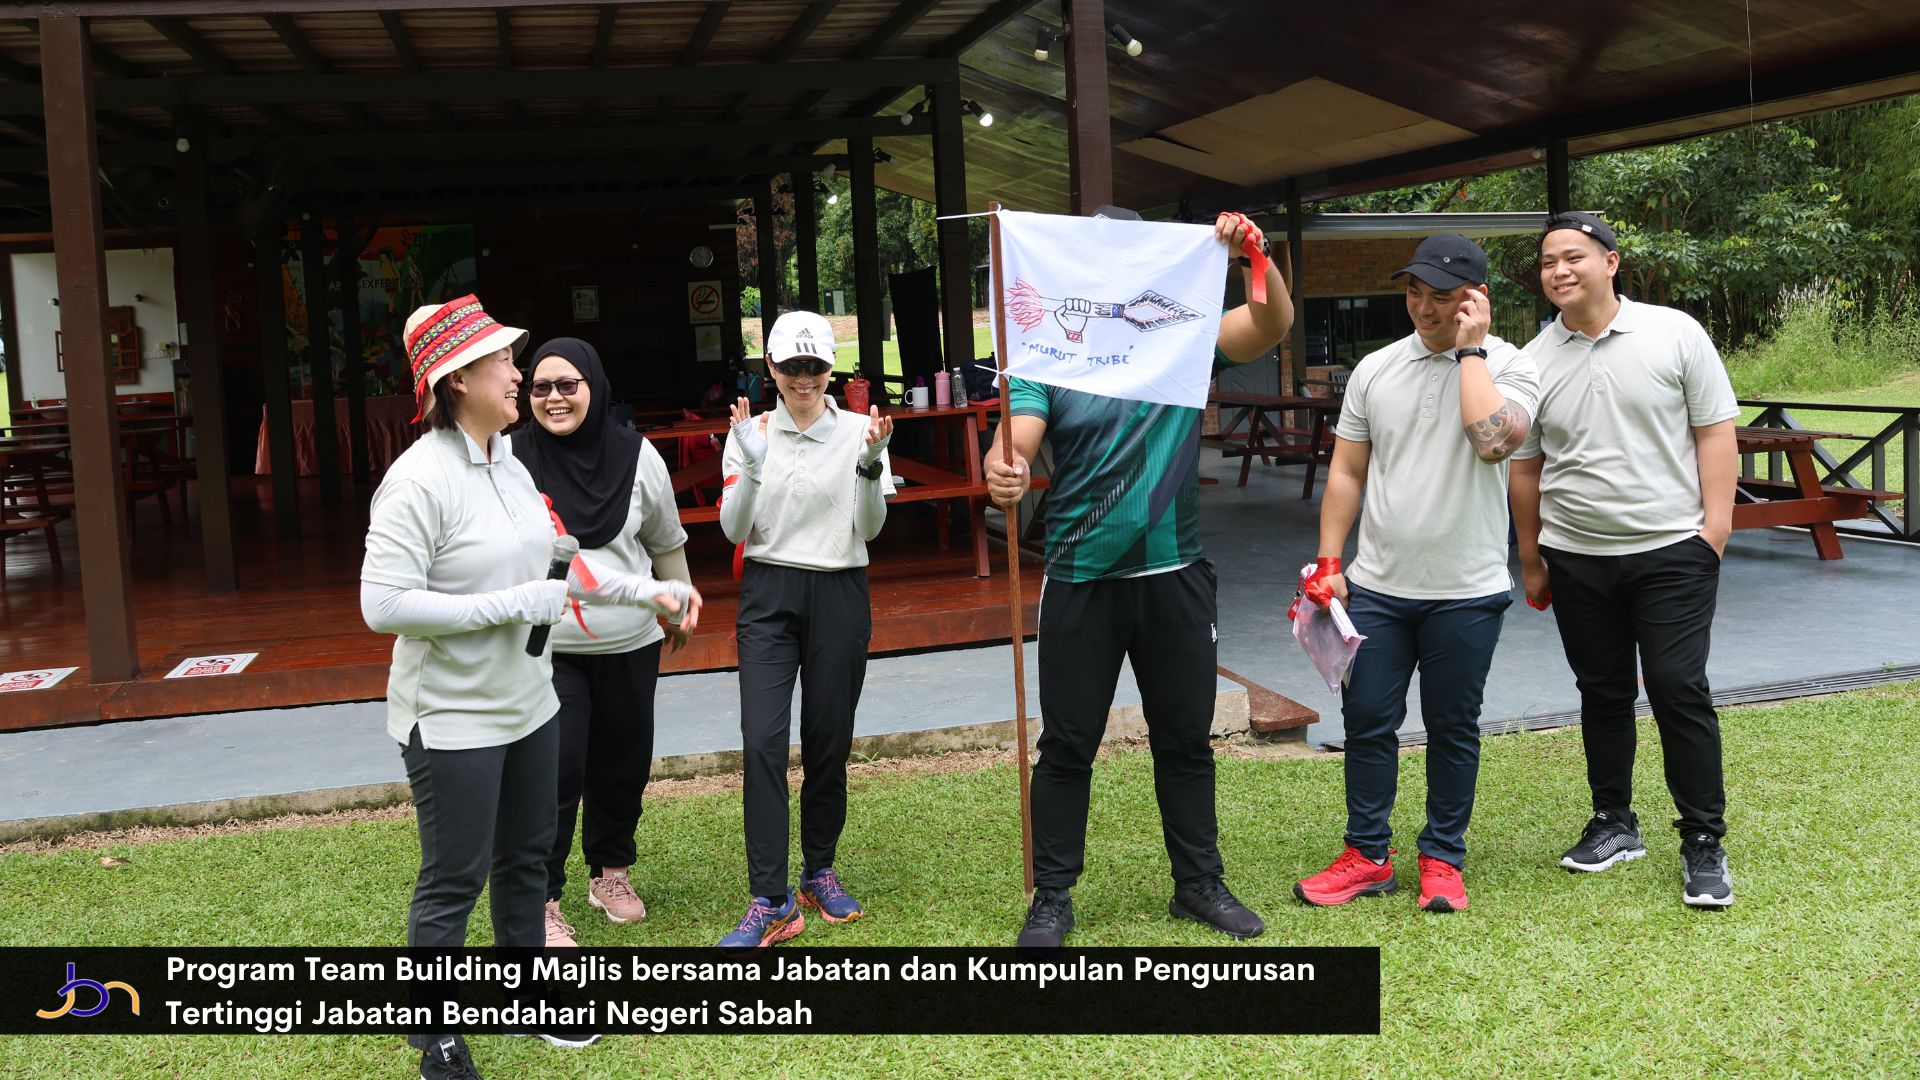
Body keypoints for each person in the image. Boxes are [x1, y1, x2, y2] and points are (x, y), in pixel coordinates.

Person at [361, 296, 694, 1077]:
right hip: (450, 717)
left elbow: (559, 563)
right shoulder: (416, 480)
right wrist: (511, 605)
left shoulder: (508, 462)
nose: (521, 374)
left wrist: (645, 593)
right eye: (504, 363)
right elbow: (383, 605)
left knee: (525, 858)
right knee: (454, 878)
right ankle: (435, 1035)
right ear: (458, 379)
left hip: (528, 704)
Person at [984, 209, 1293, 947]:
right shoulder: (1045, 349)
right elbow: (1018, 435)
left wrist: (1253, 251)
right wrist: (1007, 464)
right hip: (1081, 578)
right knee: (1067, 745)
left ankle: (1199, 885)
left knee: (1185, 741)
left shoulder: (1180, 337)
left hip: (1174, 574)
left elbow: (1271, 322)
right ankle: (1052, 897)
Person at [1290, 234, 1539, 914]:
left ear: (1477, 300)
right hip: (1377, 586)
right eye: (1415, 293)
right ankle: (1367, 855)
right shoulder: (1375, 370)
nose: (1424, 308)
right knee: (1368, 719)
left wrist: (1470, 353)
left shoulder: (1513, 367)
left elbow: (1494, 444)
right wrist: (1332, 562)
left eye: (1442, 296)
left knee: (1452, 725)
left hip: (1467, 589)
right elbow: (1347, 470)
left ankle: (1442, 859)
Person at [1509, 212, 1740, 909]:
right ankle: (1614, 822)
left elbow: (1715, 432)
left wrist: (1715, 532)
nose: (1559, 271)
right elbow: (1526, 468)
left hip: (1672, 549)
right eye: (1549, 261)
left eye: (1573, 257)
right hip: (1577, 552)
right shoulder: (1531, 360)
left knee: (1676, 685)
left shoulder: (1675, 332)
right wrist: (1532, 556)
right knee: (1602, 690)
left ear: (1611, 262)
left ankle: (1703, 839)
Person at [512, 338, 701, 947]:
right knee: (557, 771)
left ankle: (610, 873)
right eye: (541, 388)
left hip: (631, 642)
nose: (555, 398)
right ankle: (542, 899)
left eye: (568, 385)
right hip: (550, 645)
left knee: (623, 762)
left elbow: (666, 542)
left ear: (594, 386)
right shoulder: (511, 460)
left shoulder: (638, 456)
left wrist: (679, 607)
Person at [715, 310, 894, 949]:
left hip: (840, 586)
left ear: (830, 368)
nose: (804, 378)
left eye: (815, 366)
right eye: (791, 366)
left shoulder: (860, 431)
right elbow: (734, 531)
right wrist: (755, 462)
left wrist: (872, 462)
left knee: (828, 737)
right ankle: (769, 896)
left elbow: (869, 528)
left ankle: (819, 868)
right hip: (769, 589)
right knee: (761, 741)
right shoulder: (749, 432)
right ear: (771, 368)